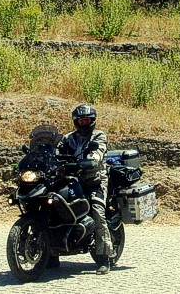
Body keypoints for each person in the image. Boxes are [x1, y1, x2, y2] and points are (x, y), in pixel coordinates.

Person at [58, 103, 114, 275]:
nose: (84, 123)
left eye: (87, 120)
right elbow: (56, 151)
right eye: (81, 120)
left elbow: (98, 154)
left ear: (93, 121)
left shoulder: (98, 136)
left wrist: (90, 160)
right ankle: (50, 255)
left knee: (97, 213)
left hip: (94, 180)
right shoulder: (68, 138)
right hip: (72, 180)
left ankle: (104, 258)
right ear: (76, 121)